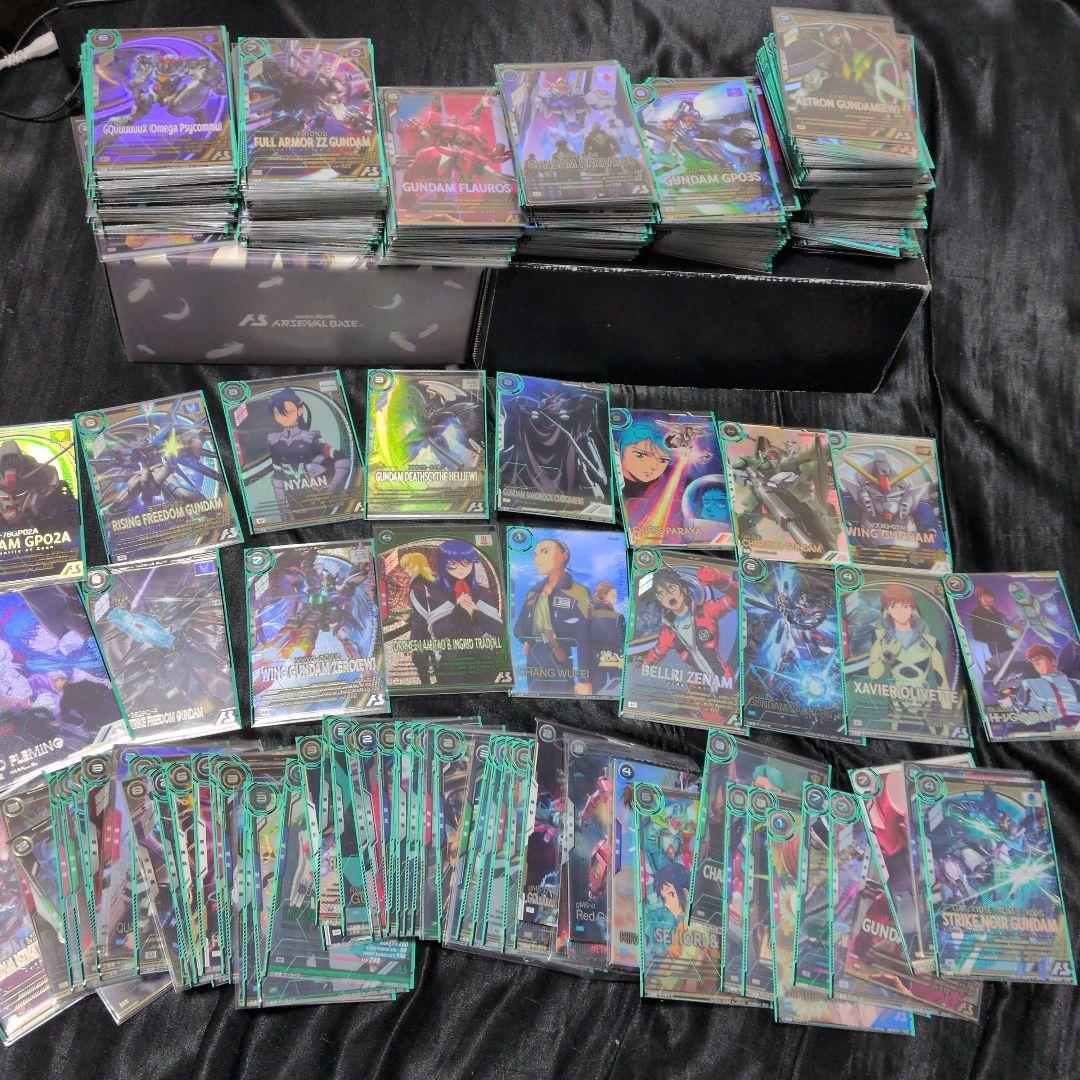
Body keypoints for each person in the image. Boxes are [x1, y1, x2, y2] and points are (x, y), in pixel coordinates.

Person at [867, 582, 948, 693]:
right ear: (887, 610)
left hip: (922, 697)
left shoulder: (931, 642)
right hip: (895, 697)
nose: (900, 612)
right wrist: (883, 659)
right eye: (893, 606)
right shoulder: (880, 637)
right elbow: (874, 675)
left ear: (912, 608)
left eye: (905, 606)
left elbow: (942, 683)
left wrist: (948, 704)